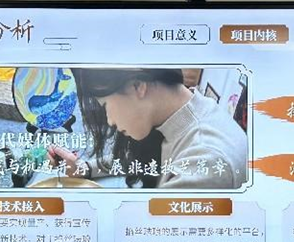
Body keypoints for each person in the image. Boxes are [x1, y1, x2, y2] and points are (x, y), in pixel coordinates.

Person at [47, 68, 247, 188]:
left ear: (138, 86)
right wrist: (83, 168)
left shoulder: (204, 162)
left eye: (105, 106)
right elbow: (135, 161)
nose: (110, 121)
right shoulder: (180, 113)